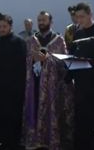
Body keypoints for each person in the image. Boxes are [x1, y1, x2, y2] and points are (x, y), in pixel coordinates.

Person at [21, 11, 74, 150]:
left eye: (43, 20)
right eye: (39, 20)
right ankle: (35, 139)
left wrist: (47, 59)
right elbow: (25, 59)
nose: (41, 23)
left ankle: (51, 140)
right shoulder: (32, 40)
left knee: (52, 112)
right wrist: (32, 59)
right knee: (35, 108)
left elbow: (64, 62)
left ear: (51, 21)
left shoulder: (58, 40)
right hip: (35, 83)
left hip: (52, 86)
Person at [0, 15, 27, 150]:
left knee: (14, 117)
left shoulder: (19, 42)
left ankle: (16, 143)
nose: (1, 29)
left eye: (4, 26)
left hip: (15, 89)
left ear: (10, 26)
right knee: (0, 117)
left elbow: (25, 67)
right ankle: (4, 142)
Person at [69, 2, 94, 150]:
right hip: (80, 85)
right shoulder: (77, 34)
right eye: (77, 17)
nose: (79, 20)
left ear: (90, 15)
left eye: (82, 16)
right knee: (80, 122)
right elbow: (73, 55)